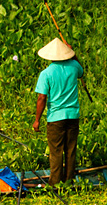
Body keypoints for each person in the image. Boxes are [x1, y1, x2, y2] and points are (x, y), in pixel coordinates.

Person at [31, 37, 85, 185]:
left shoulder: (46, 73)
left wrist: (37, 120)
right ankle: (68, 180)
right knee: (70, 149)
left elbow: (42, 98)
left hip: (56, 118)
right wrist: (73, 54)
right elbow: (81, 73)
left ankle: (55, 182)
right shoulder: (74, 66)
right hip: (73, 115)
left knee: (56, 151)